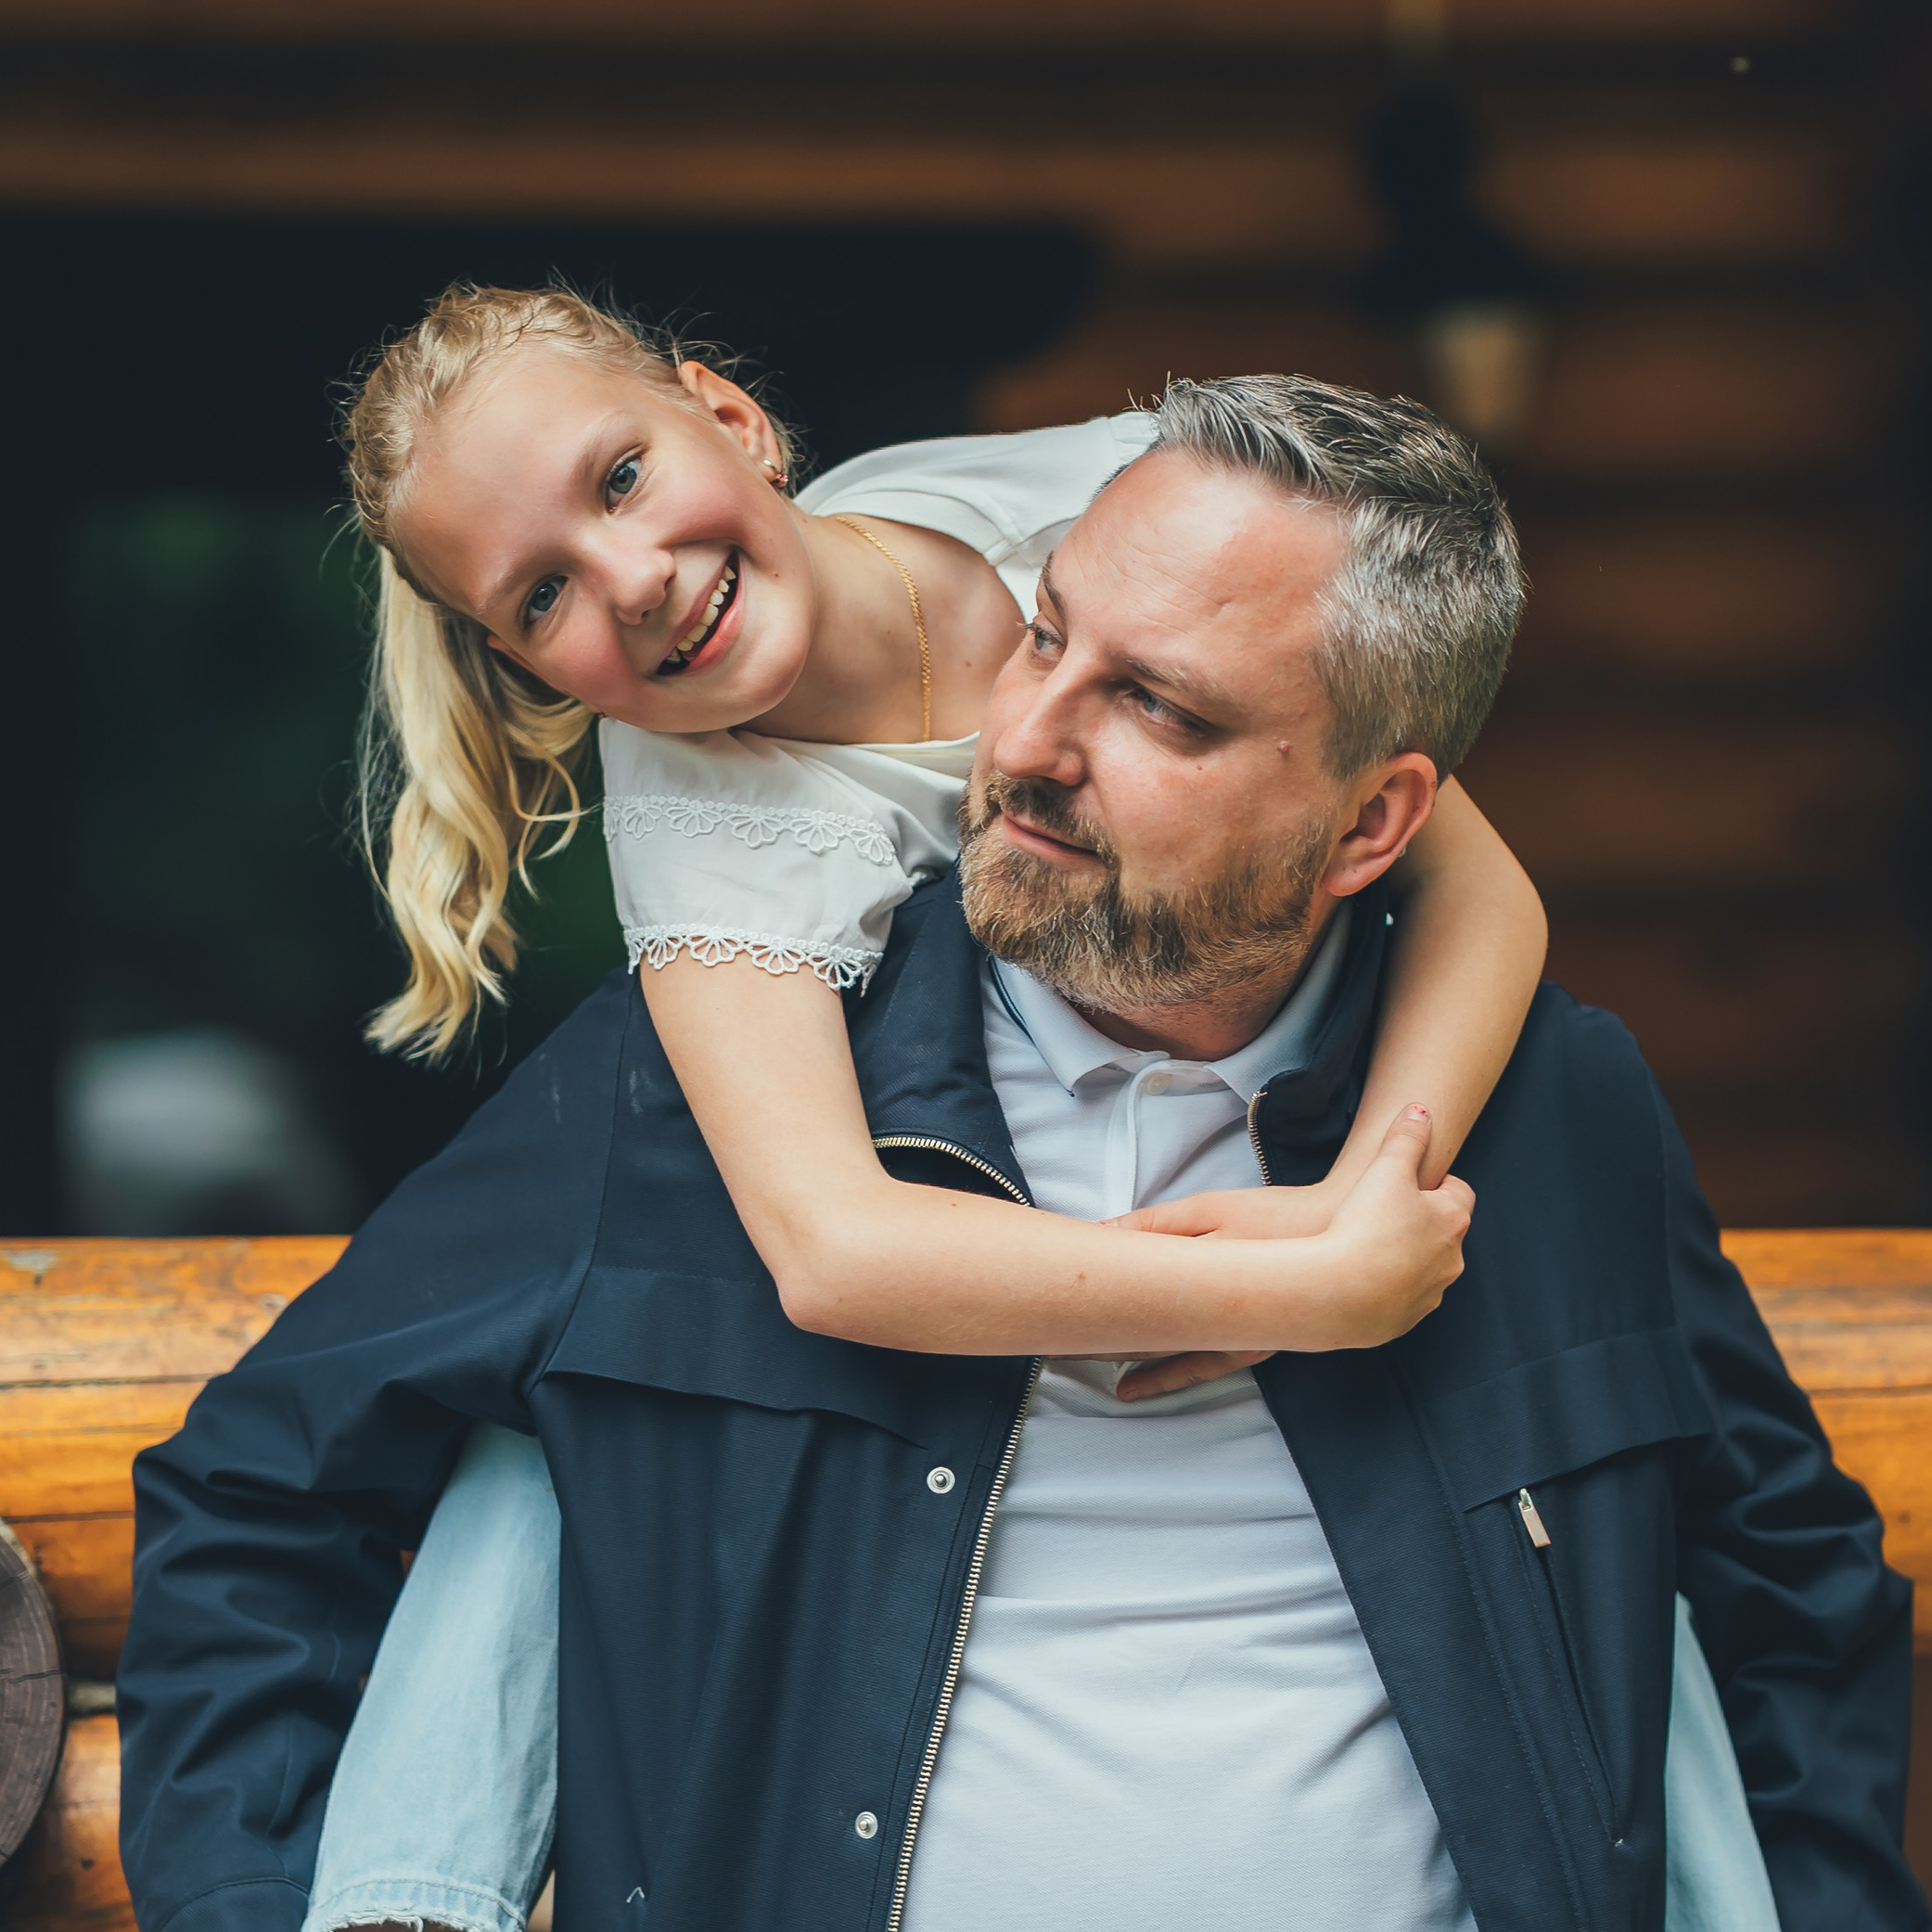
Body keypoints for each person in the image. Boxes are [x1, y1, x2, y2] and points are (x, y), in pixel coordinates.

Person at [118, 375, 1924, 1932]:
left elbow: (1789, 1596)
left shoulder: (1554, 1116)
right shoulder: (678, 1105)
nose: (1025, 738)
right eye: (1045, 634)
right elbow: (262, 1498)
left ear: (1372, 824)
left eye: (1162, 708)